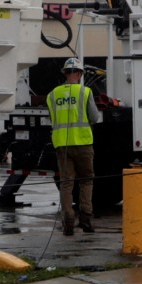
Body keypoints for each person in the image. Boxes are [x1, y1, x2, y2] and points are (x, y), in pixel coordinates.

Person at [46, 62, 101, 235]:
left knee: (66, 183)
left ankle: (68, 221)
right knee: (86, 180)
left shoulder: (53, 95)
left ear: (65, 73)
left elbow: (52, 118)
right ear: (79, 73)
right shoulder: (85, 92)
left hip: (62, 144)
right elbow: (94, 117)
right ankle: (86, 219)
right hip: (83, 143)